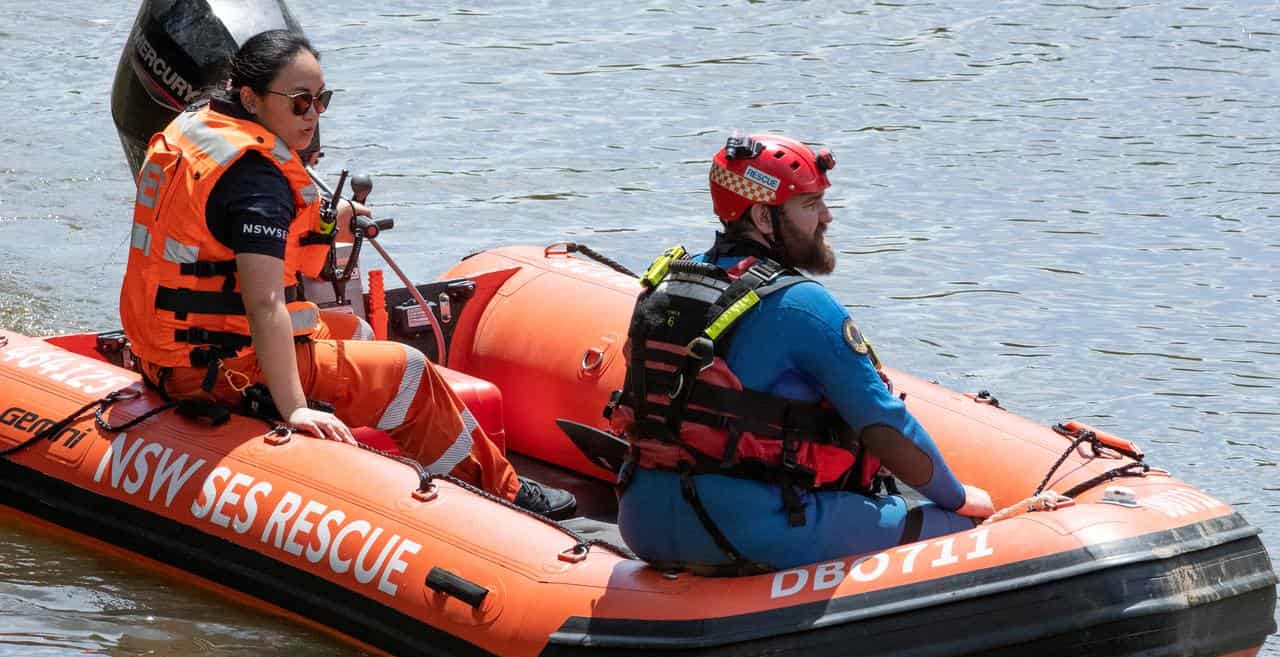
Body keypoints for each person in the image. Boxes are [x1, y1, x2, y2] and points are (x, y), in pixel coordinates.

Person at [118, 30, 574, 519]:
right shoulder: (255, 180)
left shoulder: (200, 128)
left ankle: (347, 465)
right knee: (408, 372)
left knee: (352, 331)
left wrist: (335, 218)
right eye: (299, 102)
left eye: (320, 101)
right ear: (250, 97)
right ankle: (501, 495)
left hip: (174, 350)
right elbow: (264, 304)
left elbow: (226, 229)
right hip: (221, 370)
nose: (313, 116)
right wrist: (293, 407)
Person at [612, 133, 993, 575]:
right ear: (763, 216)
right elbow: (884, 425)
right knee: (960, 525)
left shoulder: (663, 284)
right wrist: (959, 498)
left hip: (642, 525)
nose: (827, 218)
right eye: (810, 206)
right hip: (750, 531)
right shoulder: (802, 304)